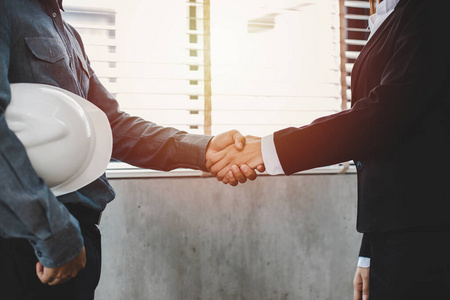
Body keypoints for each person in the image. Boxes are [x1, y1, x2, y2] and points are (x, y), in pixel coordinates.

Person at [0, 0, 261, 299]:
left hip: (76, 240)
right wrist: (53, 233)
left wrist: (204, 149)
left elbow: (111, 125)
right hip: (32, 242)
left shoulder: (65, 30)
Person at [208, 0, 450, 299]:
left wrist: (267, 149)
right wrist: (369, 253)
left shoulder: (431, 10)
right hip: (392, 234)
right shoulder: (388, 15)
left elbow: (384, 116)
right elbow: (383, 156)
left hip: (426, 235)